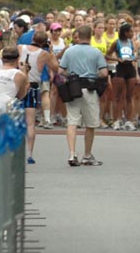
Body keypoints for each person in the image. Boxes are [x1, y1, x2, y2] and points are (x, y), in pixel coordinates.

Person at [59, 25, 109, 167]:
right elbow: (104, 73)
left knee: (72, 121)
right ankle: (87, 155)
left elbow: (60, 70)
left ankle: (72, 153)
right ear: (90, 36)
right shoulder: (96, 52)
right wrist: (94, 75)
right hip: (90, 89)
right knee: (91, 124)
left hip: (73, 88)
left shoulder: (69, 51)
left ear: (78, 36)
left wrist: (72, 75)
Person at [18, 31, 59, 164]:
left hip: (18, 85)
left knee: (16, 119)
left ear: (33, 39)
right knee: (30, 123)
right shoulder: (44, 54)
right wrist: (51, 52)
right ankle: (29, 153)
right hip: (32, 86)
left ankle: (15, 151)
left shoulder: (20, 48)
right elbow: (55, 67)